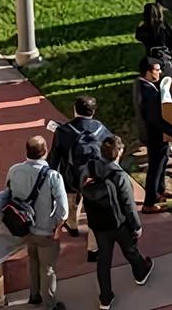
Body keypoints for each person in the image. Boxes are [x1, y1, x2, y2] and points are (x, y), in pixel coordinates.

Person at [81, 136, 154, 310]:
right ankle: (140, 273)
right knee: (130, 250)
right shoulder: (119, 175)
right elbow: (128, 205)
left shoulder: (90, 167)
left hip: (98, 223)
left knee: (103, 261)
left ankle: (105, 298)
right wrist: (136, 227)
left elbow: (81, 187)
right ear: (119, 153)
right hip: (118, 223)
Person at [46, 95, 112, 264]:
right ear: (94, 111)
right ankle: (93, 249)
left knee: (72, 202)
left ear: (75, 109)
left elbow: (54, 156)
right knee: (95, 215)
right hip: (94, 178)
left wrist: (49, 177)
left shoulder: (63, 130)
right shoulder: (101, 129)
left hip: (72, 177)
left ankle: (73, 225)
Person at [7, 136, 69, 310]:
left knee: (33, 261)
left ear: (26, 151)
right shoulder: (53, 176)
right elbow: (63, 209)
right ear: (45, 151)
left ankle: (34, 296)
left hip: (25, 228)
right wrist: (58, 227)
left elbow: (9, 193)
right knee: (47, 268)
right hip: (46, 230)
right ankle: (50, 304)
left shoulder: (14, 170)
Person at [137, 58, 172, 213]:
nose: (160, 71)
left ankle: (159, 192)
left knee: (162, 161)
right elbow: (156, 120)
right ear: (148, 72)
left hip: (152, 134)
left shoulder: (141, 85)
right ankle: (149, 204)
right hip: (155, 135)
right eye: (157, 69)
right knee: (155, 168)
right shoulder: (149, 92)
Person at [135, 3, 172, 77]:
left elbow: (138, 37)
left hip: (152, 59)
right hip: (167, 59)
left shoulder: (143, 29)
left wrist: (139, 26)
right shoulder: (164, 28)